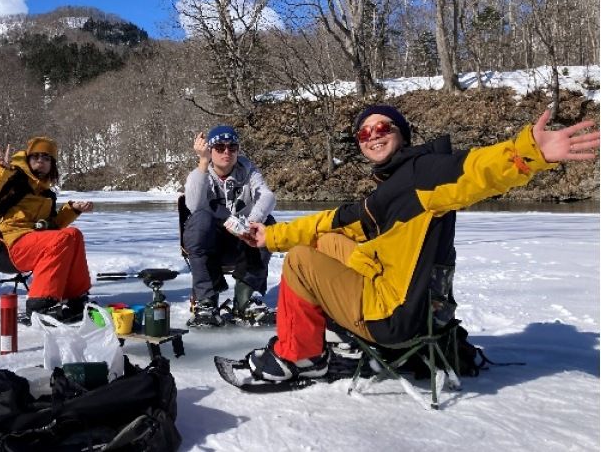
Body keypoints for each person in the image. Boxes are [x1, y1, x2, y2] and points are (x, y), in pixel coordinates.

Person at [238, 105, 599, 382]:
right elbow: (334, 221)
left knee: (301, 260)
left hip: (394, 317)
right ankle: (329, 336)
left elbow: (473, 171)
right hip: (409, 301)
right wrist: (271, 235)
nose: (372, 136)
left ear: (401, 134)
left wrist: (526, 154)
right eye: (364, 133)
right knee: (327, 240)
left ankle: (298, 357)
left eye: (382, 127)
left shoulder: (423, 173)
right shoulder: (393, 188)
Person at [0, 136, 94, 323]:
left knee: (73, 234)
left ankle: (75, 299)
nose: (40, 161)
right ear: (28, 159)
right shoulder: (11, 178)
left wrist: (73, 209)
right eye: (36, 156)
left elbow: (51, 227)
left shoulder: (46, 194)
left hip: (29, 242)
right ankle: (40, 306)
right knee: (62, 239)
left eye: (46, 158)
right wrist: (0, 171)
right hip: (3, 245)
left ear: (52, 165)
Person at [183, 125, 277, 327]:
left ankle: (245, 301)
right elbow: (193, 205)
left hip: (243, 242)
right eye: (220, 147)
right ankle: (206, 302)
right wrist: (203, 161)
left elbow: (267, 196)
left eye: (232, 147)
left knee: (267, 224)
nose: (227, 152)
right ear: (210, 150)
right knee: (200, 220)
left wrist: (252, 222)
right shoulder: (199, 174)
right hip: (210, 245)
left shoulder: (249, 171)